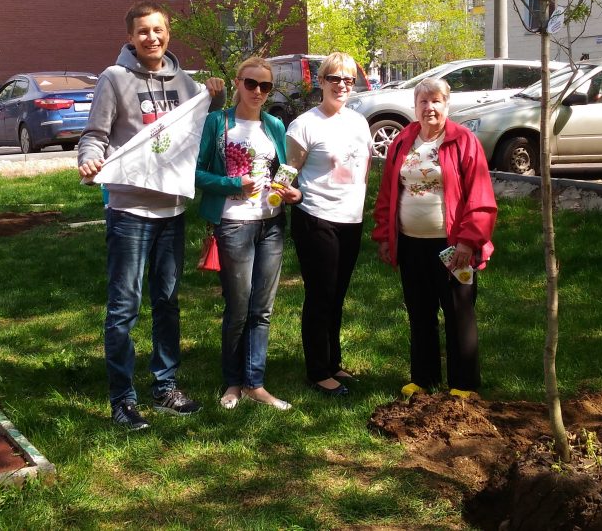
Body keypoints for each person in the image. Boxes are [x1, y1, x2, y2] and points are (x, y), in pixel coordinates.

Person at [78, 0, 226, 430]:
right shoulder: (114, 78)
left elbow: (196, 131)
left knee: (167, 301)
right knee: (124, 306)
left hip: (172, 210)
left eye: (158, 30)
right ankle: (122, 399)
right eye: (142, 31)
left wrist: (213, 99)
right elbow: (95, 134)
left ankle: (165, 386)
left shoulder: (186, 83)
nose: (151, 38)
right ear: (130, 37)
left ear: (169, 33)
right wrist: (89, 159)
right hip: (129, 209)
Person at [372, 78, 497, 398]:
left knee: (459, 311)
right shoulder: (402, 142)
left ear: (447, 105)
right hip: (411, 243)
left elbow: (480, 198)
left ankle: (463, 384)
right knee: (420, 310)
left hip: (453, 246)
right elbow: (388, 192)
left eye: (436, 101)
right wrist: (385, 236)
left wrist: (468, 242)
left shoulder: (464, 141)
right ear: (414, 107)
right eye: (423, 102)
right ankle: (423, 378)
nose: (429, 107)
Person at [196, 56, 301, 412]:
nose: (258, 91)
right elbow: (195, 173)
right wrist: (231, 184)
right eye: (251, 84)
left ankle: (255, 384)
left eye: (265, 86)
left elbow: (285, 170)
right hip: (234, 223)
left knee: (263, 308)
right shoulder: (218, 122)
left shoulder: (273, 125)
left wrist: (288, 190)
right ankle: (232, 382)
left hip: (271, 223)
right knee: (238, 308)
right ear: (238, 83)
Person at [286, 52, 373, 396]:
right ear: (320, 82)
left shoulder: (359, 122)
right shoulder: (305, 124)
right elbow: (288, 172)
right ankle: (318, 370)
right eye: (334, 78)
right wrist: (284, 192)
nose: (341, 85)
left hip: (351, 219)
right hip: (315, 217)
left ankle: (334, 361)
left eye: (348, 80)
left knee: (337, 294)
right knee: (320, 294)